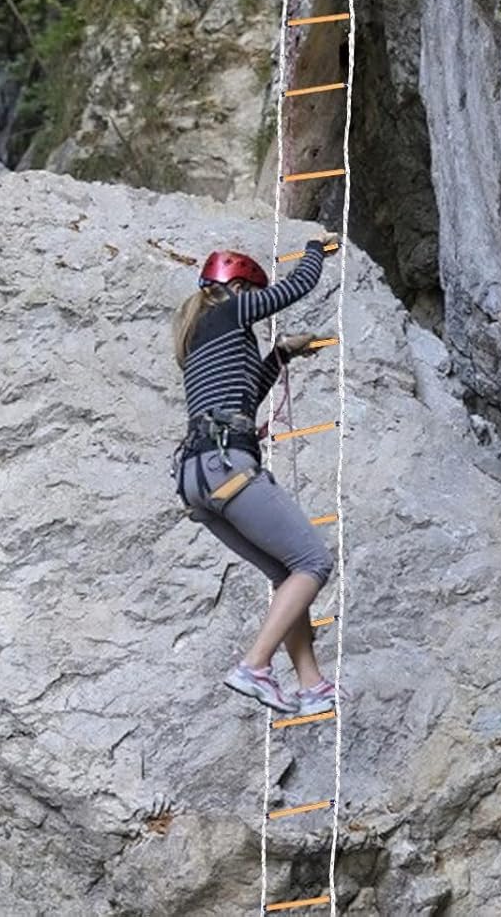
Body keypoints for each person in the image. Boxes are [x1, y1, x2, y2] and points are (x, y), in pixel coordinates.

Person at [171, 237, 338, 716]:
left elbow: (245, 397)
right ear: (237, 287)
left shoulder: (206, 334)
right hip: (227, 465)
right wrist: (313, 251)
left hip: (197, 478)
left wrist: (280, 356)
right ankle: (254, 666)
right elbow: (297, 288)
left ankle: (311, 685)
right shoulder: (230, 311)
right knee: (313, 563)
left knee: (289, 574)